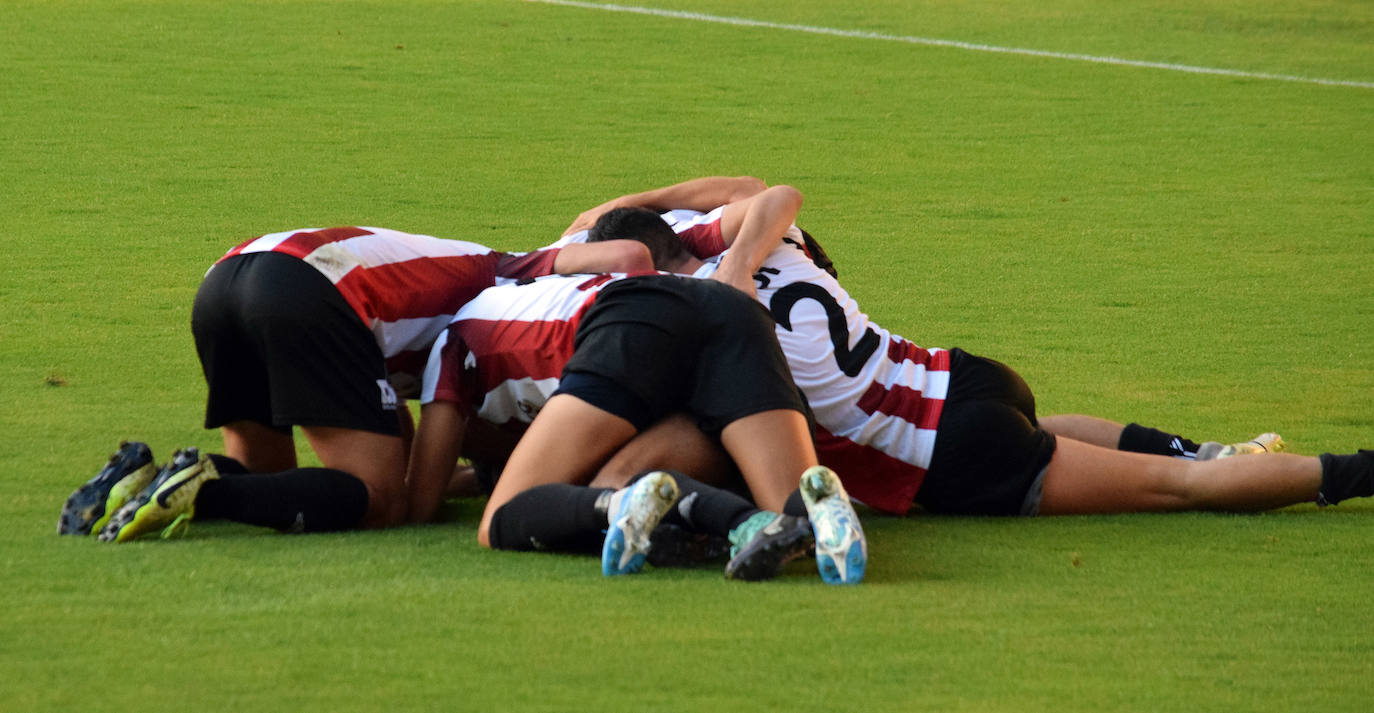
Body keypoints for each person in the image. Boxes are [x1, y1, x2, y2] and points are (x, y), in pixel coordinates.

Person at [571, 181, 1374, 518]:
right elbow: (766, 187)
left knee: (1178, 492)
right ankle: (1207, 447)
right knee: (1061, 432)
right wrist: (674, 213)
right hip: (965, 376)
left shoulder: (690, 324)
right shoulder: (768, 240)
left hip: (947, 449)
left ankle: (1350, 474)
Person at [57, 226, 653, 542]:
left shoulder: (441, 309)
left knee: (278, 486)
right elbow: (627, 250)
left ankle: (141, 478)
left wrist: (470, 478)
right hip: (314, 289)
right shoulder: (507, 277)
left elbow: (412, 446)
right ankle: (205, 493)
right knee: (381, 503)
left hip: (228, 277)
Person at [406, 270, 869, 584]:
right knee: (793, 509)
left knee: (504, 521)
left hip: (631, 325)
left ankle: (694, 515)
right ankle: (812, 509)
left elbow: (424, 494)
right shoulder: (517, 287)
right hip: (731, 310)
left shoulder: (449, 344)